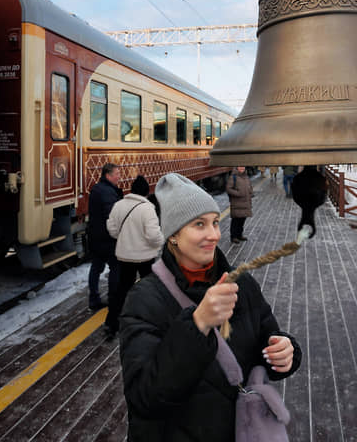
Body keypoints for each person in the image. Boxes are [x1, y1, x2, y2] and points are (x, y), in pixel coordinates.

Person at [119, 172, 302, 440]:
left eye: (215, 222)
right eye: (199, 224)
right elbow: (144, 398)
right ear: (173, 236)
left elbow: (269, 336)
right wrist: (197, 324)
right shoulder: (145, 299)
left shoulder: (242, 283)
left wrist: (286, 352)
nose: (214, 234)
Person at [105, 175, 164, 337]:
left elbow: (112, 229)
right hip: (145, 257)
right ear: (146, 192)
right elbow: (153, 236)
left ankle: (111, 324)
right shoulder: (148, 208)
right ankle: (151, 321)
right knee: (149, 289)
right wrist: (160, 243)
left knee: (122, 289)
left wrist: (124, 240)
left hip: (125, 256)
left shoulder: (118, 205)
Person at [87, 163, 123, 310]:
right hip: (106, 238)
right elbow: (112, 216)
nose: (119, 177)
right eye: (117, 174)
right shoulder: (108, 192)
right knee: (115, 267)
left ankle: (94, 300)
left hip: (95, 236)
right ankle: (113, 299)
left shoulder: (96, 188)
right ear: (108, 176)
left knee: (96, 267)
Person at [225, 166, 252, 244]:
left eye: (243, 167)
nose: (242, 169)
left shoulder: (246, 177)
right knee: (236, 220)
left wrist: (250, 192)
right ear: (237, 168)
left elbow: (249, 186)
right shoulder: (233, 177)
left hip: (245, 202)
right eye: (240, 167)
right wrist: (238, 193)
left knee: (242, 220)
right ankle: (233, 236)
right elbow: (228, 189)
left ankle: (240, 235)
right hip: (237, 203)